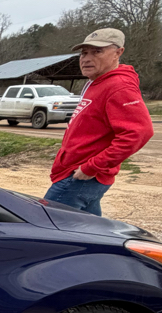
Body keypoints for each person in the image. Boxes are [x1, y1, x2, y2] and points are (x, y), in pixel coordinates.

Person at [43, 28, 153, 216]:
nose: (86, 58)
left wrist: (91, 167)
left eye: (97, 52)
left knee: (44, 227)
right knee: (90, 233)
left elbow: (139, 132)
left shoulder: (119, 86)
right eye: (84, 53)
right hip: (77, 175)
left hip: (80, 178)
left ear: (118, 52)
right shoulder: (97, 83)